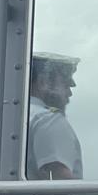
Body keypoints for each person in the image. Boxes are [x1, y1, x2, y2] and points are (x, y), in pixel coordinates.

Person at [27, 51, 83, 180]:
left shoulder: (13, 118)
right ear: (43, 82)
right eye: (66, 85)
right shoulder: (47, 119)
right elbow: (61, 179)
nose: (69, 93)